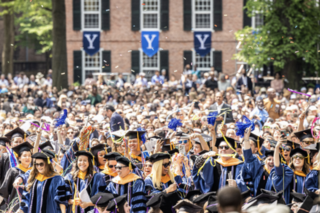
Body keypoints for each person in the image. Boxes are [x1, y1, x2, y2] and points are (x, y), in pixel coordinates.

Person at [0, 142, 33, 211]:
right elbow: (3, 191)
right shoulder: (13, 171)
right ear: (19, 158)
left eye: (29, 155)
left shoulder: (34, 172)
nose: (27, 158)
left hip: (31, 206)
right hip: (16, 207)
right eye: (24, 156)